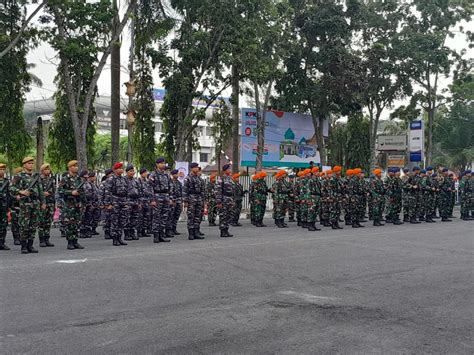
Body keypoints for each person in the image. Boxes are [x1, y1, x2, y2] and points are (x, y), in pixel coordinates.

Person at [10, 157, 45, 254]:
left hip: (35, 203)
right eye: (29, 163)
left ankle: (30, 245)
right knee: (24, 225)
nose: (31, 165)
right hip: (25, 204)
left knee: (33, 225)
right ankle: (24, 246)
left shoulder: (35, 176)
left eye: (32, 163)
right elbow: (11, 188)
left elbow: (40, 190)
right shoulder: (19, 176)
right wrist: (21, 191)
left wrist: (43, 202)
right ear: (24, 165)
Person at [57, 160, 85, 250]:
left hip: (77, 204)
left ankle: (75, 241)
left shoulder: (79, 179)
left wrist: (83, 203)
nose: (76, 167)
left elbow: (83, 192)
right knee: (69, 224)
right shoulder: (65, 179)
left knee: (77, 223)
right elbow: (60, 191)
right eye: (74, 166)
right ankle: (70, 242)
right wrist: (71, 192)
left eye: (77, 166)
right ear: (70, 167)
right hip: (69, 205)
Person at [104, 162, 129, 246]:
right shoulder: (111, 179)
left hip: (122, 201)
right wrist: (108, 204)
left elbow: (126, 191)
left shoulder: (124, 179)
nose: (121, 170)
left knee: (122, 220)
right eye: (119, 168)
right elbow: (107, 192)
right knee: (115, 220)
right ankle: (114, 239)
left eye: (122, 168)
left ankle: (119, 237)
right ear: (115, 170)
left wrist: (126, 202)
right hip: (114, 201)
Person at [148, 158, 172, 243]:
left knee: (164, 217)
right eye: (161, 163)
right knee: (156, 217)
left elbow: (170, 186)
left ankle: (162, 235)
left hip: (165, 196)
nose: (163, 165)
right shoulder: (153, 174)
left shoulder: (166, 175)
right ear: (157, 164)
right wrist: (152, 200)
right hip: (157, 196)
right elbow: (150, 187)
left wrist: (170, 198)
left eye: (164, 163)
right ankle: (156, 235)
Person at [183, 163, 205, 240]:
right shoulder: (188, 178)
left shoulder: (199, 178)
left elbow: (202, 190)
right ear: (191, 168)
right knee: (191, 216)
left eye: (197, 167)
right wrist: (185, 201)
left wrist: (202, 199)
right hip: (191, 198)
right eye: (195, 167)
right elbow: (185, 190)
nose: (197, 169)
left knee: (197, 216)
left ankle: (196, 232)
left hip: (199, 198)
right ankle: (191, 233)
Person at [38, 163, 56, 247]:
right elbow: (36, 190)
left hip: (50, 202)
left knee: (48, 222)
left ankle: (47, 239)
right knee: (42, 222)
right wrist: (42, 194)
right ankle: (41, 240)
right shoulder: (38, 179)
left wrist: (49, 193)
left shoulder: (51, 180)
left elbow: (54, 190)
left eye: (48, 169)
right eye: (46, 169)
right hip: (42, 203)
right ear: (42, 170)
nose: (48, 171)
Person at [215, 164, 235, 237]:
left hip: (229, 199)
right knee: (223, 215)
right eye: (228, 169)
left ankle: (226, 229)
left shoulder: (230, 178)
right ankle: (223, 231)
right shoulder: (221, 179)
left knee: (229, 215)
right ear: (225, 170)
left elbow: (233, 190)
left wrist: (233, 200)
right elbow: (218, 190)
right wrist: (219, 201)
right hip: (224, 199)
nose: (230, 170)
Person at [124, 164, 140, 241]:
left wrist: (139, 202)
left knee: (134, 218)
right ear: (127, 172)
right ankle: (127, 234)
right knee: (127, 218)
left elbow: (139, 192)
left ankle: (132, 233)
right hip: (128, 201)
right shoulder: (124, 180)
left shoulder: (135, 181)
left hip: (135, 201)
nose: (132, 172)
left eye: (133, 171)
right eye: (130, 171)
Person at [137, 168, 153, 237]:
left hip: (147, 201)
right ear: (142, 173)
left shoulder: (147, 181)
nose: (146, 174)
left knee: (146, 217)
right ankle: (139, 232)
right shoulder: (137, 181)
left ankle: (144, 231)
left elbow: (150, 191)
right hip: (141, 201)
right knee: (140, 217)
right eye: (145, 172)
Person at [9, 167, 23, 245]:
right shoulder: (14, 181)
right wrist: (15, 197)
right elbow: (10, 193)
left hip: (23, 205)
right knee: (15, 222)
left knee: (22, 223)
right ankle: (16, 238)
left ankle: (21, 237)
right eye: (19, 172)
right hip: (15, 205)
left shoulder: (25, 181)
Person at [99, 168, 113, 239]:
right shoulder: (104, 183)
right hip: (106, 203)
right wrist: (101, 204)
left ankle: (111, 231)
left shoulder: (114, 182)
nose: (112, 175)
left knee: (112, 218)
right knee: (106, 218)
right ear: (107, 175)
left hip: (113, 203)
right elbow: (101, 194)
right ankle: (106, 232)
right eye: (111, 174)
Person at [169, 169, 183, 235]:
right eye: (176, 174)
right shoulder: (170, 183)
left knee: (176, 215)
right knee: (171, 216)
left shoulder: (179, 183)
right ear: (172, 174)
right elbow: (170, 193)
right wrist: (172, 200)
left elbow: (181, 193)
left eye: (177, 174)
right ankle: (170, 229)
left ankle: (174, 228)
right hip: (172, 201)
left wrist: (181, 202)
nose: (177, 175)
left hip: (178, 201)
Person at [0, 163, 10, 250]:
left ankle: (2, 242)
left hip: (3, 206)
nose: (2, 171)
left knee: (3, 224)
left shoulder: (6, 181)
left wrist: (9, 206)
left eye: (3, 169)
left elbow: (9, 194)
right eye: (0, 169)